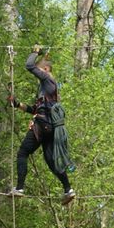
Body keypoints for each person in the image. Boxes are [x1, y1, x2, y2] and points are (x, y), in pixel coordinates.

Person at [7, 45, 76, 205]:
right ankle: (68, 189)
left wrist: (35, 51)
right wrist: (17, 104)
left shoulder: (47, 79)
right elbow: (35, 109)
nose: (37, 74)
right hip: (47, 125)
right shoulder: (46, 88)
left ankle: (19, 188)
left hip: (43, 124)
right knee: (50, 160)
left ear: (45, 69)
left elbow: (29, 65)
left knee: (22, 153)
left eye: (40, 70)